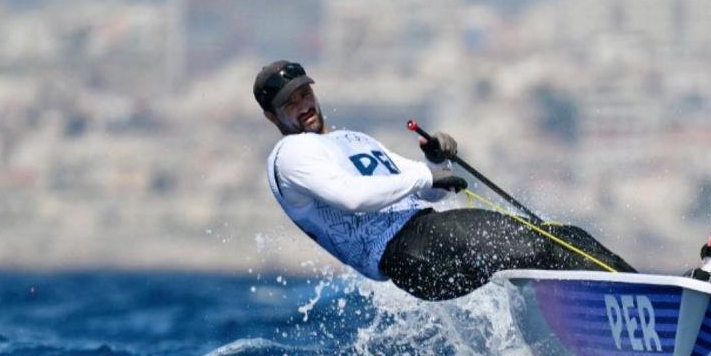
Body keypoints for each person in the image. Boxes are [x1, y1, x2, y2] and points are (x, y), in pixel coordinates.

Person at [254, 60, 634, 301]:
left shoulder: (351, 140)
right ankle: (636, 297)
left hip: (425, 250)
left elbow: (426, 189)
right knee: (543, 244)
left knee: (561, 237)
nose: (304, 106)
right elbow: (353, 198)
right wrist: (424, 174)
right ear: (272, 117)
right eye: (290, 103)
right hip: (408, 247)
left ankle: (626, 297)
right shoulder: (291, 155)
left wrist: (431, 160)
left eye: (305, 93)